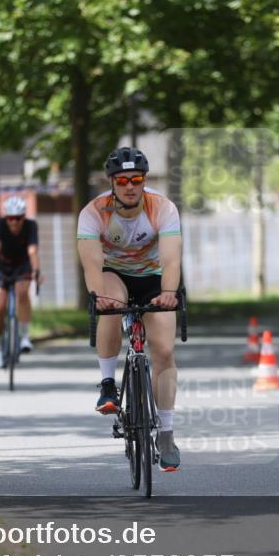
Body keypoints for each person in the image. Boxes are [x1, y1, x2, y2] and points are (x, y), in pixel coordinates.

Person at [76, 147, 184, 472]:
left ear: (144, 181)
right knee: (109, 301)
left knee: (164, 350)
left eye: (136, 179)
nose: (129, 186)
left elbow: (171, 258)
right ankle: (108, 385)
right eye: (122, 180)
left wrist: (168, 293)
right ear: (112, 182)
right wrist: (97, 294)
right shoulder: (94, 212)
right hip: (114, 275)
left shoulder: (162, 207)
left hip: (153, 278)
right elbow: (92, 262)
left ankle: (165, 433)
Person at [0, 196, 44, 368]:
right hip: (2, 266)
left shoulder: (31, 225)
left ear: (23, 217)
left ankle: (25, 337)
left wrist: (36, 270)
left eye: (18, 218)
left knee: (21, 292)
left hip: (22, 265)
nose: (14, 222)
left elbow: (33, 249)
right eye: (10, 218)